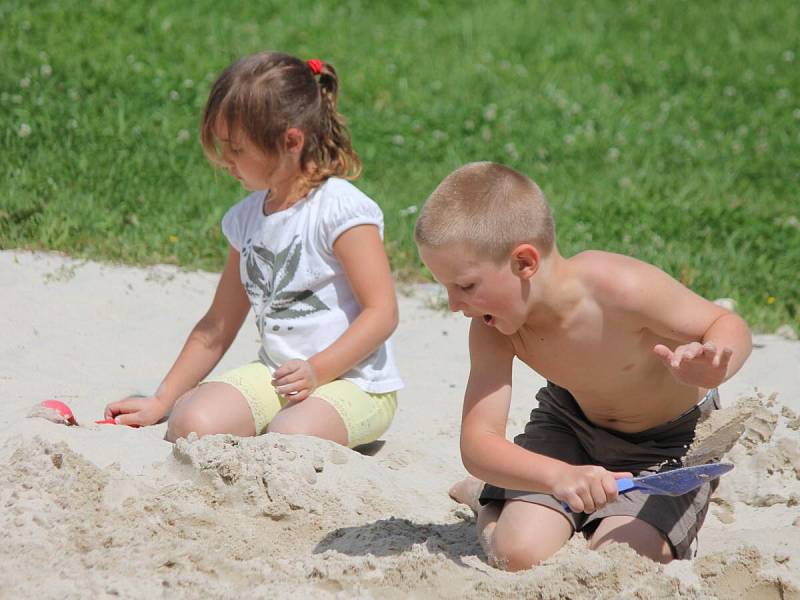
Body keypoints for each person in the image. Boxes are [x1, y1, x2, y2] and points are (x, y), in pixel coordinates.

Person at [414, 162, 751, 570]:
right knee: (517, 555)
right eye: (445, 287)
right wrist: (558, 476)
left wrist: (716, 365)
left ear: (524, 262)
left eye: (465, 286)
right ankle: (486, 497)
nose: (453, 305)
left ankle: (566, 508)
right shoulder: (492, 328)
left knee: (623, 560)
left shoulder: (618, 288)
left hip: (669, 444)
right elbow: (478, 442)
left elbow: (727, 324)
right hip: (569, 426)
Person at [105, 52, 403, 448]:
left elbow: (382, 313)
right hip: (278, 373)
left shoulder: (341, 210)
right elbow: (216, 328)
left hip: (356, 382)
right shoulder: (245, 220)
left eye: (237, 148)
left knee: (289, 437)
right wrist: (161, 400)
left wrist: (317, 371)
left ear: (290, 142)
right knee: (190, 423)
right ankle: (231, 407)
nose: (227, 160)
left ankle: (296, 419)